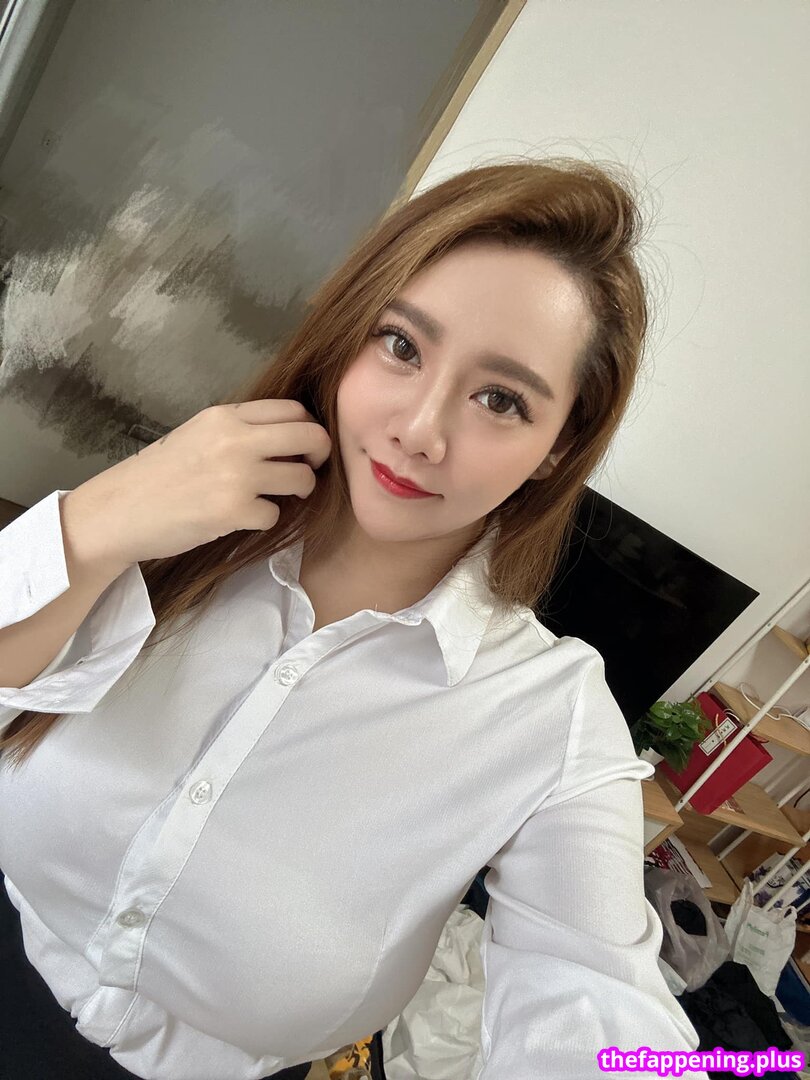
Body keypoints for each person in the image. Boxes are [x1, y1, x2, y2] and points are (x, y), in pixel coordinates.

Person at [0, 158, 708, 1079]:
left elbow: (598, 994)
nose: (419, 428)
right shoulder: (175, 522)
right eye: (401, 346)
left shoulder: (550, 716)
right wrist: (97, 520)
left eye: (501, 399)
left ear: (558, 446)